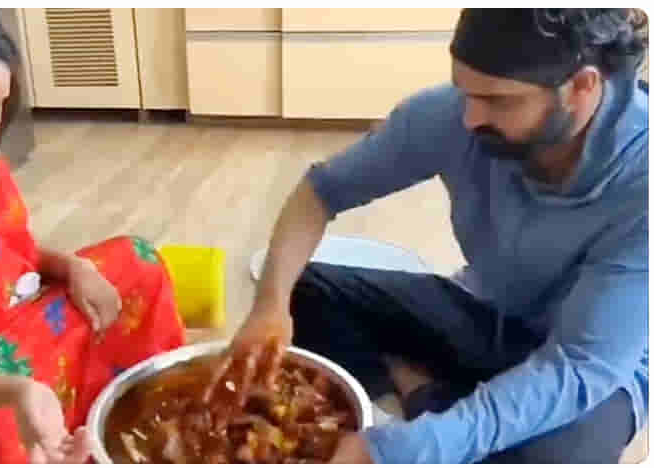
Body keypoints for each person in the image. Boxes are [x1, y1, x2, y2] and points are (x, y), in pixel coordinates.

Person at [205, 8, 648, 463]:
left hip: (590, 368)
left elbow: (580, 365)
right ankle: (422, 395)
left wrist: (409, 448)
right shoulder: (457, 114)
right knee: (306, 289)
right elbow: (321, 192)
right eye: (464, 90)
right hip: (489, 315)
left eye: (498, 100)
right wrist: (270, 304)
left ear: (581, 87)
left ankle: (430, 405)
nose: (470, 118)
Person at [0, 9, 185, 463]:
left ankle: (125, 418)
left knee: (137, 262)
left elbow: (4, 252)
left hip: (19, 323)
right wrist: (13, 391)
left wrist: (72, 267)